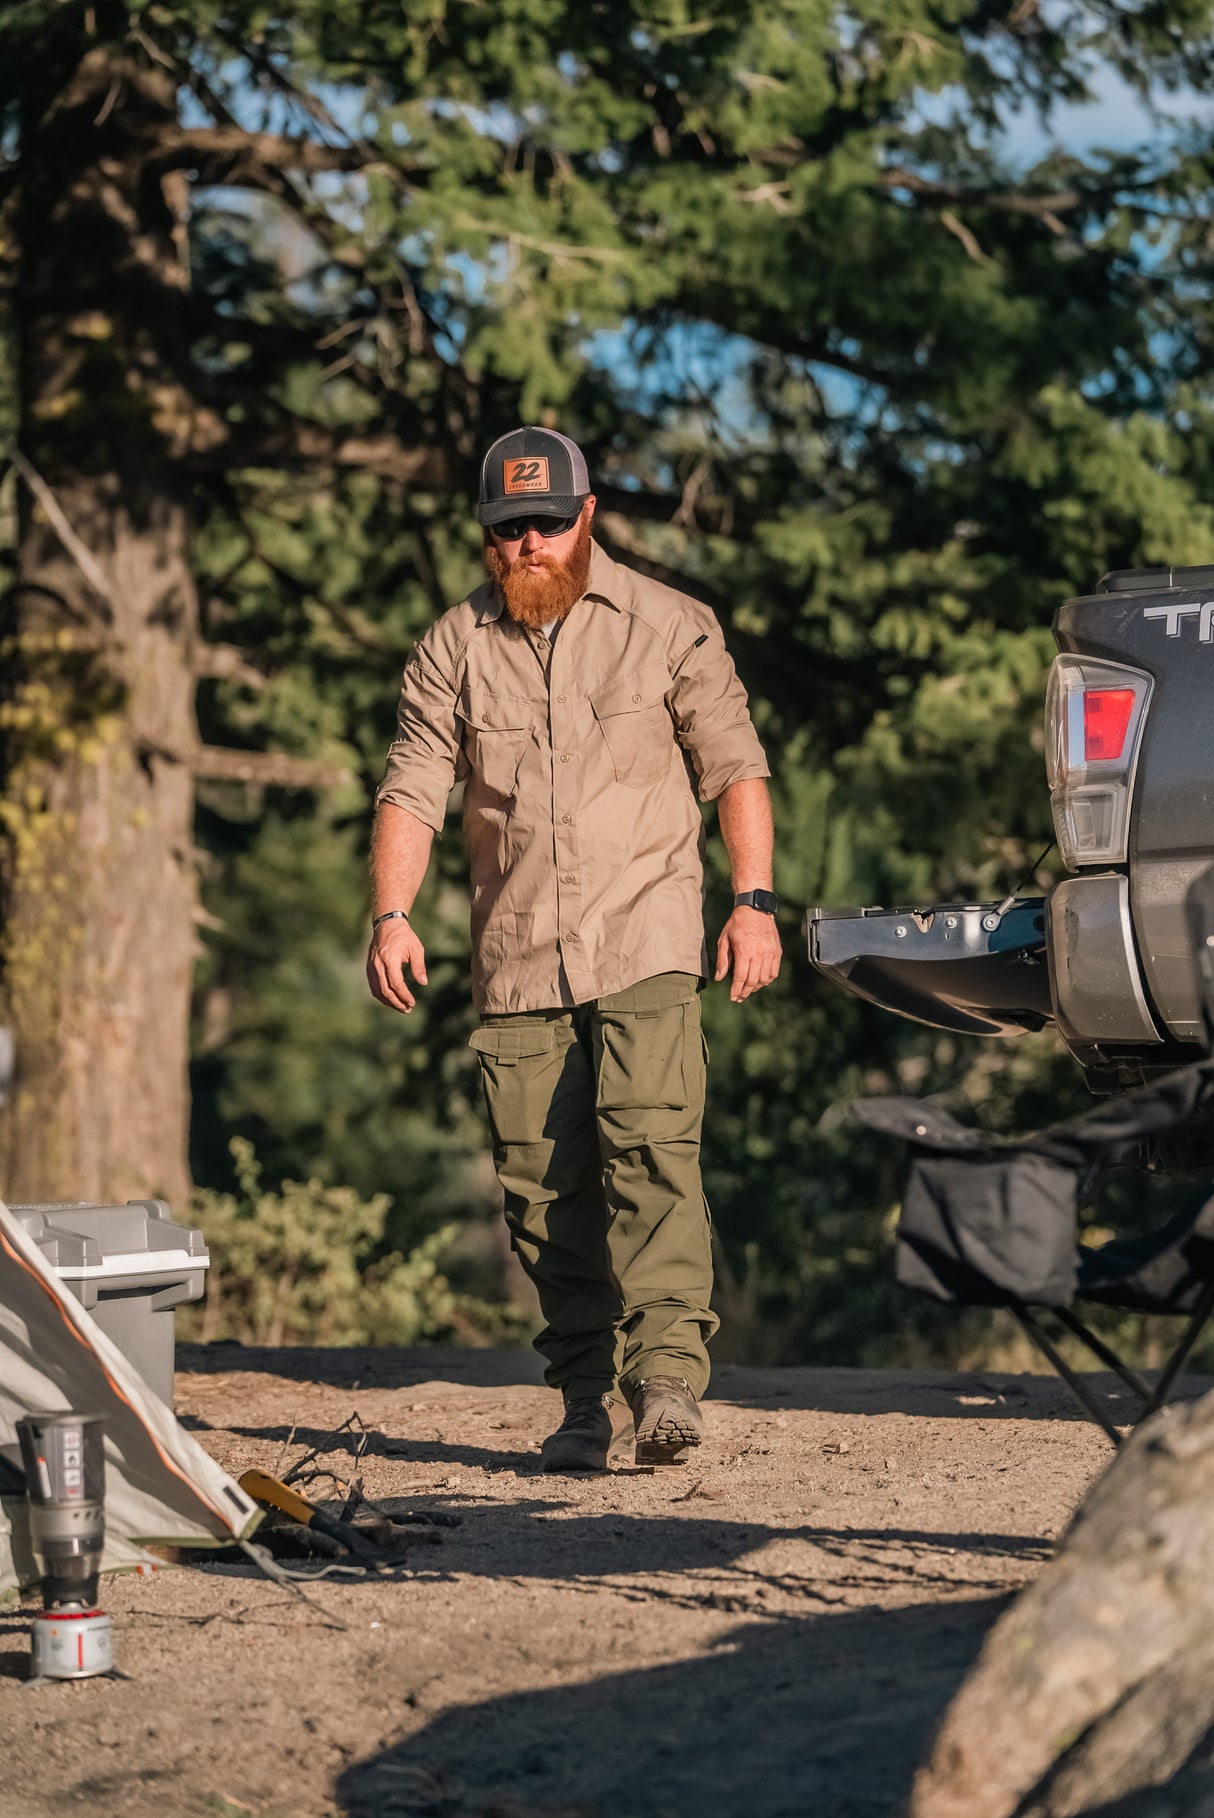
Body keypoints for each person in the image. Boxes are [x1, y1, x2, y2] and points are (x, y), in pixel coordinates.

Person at [368, 426, 781, 1472]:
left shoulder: (670, 626)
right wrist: (391, 914)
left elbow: (733, 766)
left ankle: (666, 1382)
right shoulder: (451, 648)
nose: (527, 548)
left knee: (649, 1147)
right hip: (517, 953)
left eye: (545, 525)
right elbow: (412, 785)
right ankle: (581, 1398)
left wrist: (752, 902)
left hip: (644, 930)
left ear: (587, 516)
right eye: (505, 531)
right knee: (540, 1184)